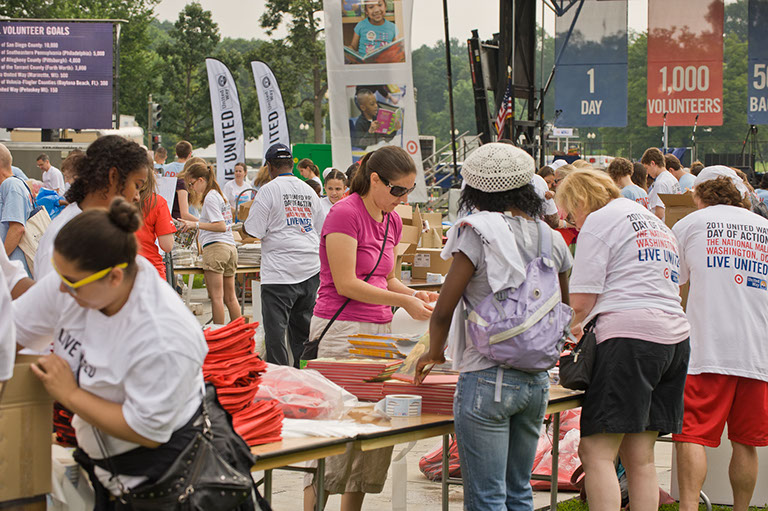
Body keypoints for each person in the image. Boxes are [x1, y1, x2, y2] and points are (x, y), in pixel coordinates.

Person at [13, 199, 254, 507]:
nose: (61, 289)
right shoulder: (78, 279)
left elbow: (146, 430)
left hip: (163, 484)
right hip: (107, 471)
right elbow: (15, 331)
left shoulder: (164, 334)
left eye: (70, 283)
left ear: (114, 277)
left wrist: (70, 395)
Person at [414, 143, 571, 510]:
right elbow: (563, 307)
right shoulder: (551, 237)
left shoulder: (477, 232)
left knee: (486, 497)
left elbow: (444, 309)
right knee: (519, 492)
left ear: (475, 190)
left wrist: (433, 353)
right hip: (536, 381)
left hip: (487, 377)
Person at [305, 144, 435, 511]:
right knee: (332, 435)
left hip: (379, 333)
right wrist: (404, 302)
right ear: (374, 179)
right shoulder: (344, 214)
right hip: (341, 332)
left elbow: (386, 279)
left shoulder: (393, 220)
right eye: (398, 190)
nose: (403, 198)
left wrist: (417, 295)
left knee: (372, 434)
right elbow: (346, 283)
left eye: (409, 190)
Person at [557, 169, 690, 511]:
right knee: (640, 456)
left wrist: (560, 333)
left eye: (570, 213)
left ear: (581, 200)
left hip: (629, 339)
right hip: (674, 337)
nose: (572, 222)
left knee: (595, 451)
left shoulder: (599, 221)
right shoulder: (653, 222)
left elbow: (581, 301)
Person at [671, 166, 768, 511]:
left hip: (706, 348)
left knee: (691, 435)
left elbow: (675, 284)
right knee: (746, 442)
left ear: (699, 195)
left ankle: (689, 508)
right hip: (757, 350)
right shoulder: (764, 227)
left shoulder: (690, 224)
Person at [243, 144, 325, 367]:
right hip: (309, 268)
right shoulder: (309, 191)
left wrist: (243, 229)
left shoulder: (268, 190)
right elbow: (320, 229)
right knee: (304, 333)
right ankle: (306, 377)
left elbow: (254, 230)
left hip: (279, 273)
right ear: (292, 165)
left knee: (276, 334)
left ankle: (280, 380)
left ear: (270, 166)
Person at [34, 135, 149, 280]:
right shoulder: (65, 235)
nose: (137, 197)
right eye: (136, 186)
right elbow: (52, 292)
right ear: (113, 176)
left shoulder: (103, 228)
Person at [178, 162, 240, 326]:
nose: (191, 188)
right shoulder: (219, 194)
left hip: (216, 248)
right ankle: (240, 334)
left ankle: (219, 334)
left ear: (200, 180)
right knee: (230, 297)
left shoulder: (211, 197)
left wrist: (195, 224)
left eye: (191, 184)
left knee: (217, 298)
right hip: (230, 247)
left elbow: (220, 225)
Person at [136, 167, 176, 280]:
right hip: (149, 268)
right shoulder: (157, 202)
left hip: (119, 270)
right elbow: (167, 246)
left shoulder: (113, 201)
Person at [0, 143, 33, 276]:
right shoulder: (14, 184)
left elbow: (17, 229)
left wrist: (2, 261)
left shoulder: (11, 185)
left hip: (14, 268)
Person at [642, 147, 681, 221]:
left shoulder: (660, 183)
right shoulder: (673, 178)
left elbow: (659, 213)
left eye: (647, 168)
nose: (647, 172)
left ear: (652, 163)